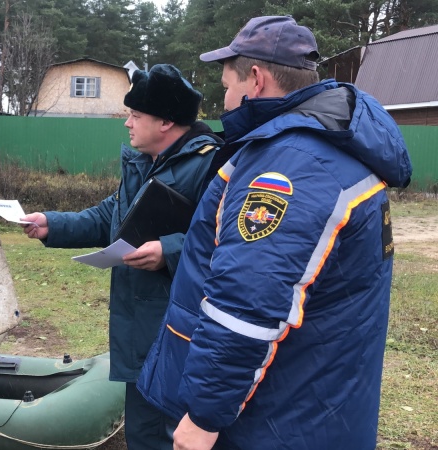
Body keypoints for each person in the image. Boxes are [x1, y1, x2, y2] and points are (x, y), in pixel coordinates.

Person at [138, 16, 413, 450]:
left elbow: (245, 307)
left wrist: (204, 416)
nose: (224, 100)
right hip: (311, 403)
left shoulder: (288, 163)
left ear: (256, 79)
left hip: (274, 421)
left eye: (227, 85)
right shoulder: (322, 147)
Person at [22, 64, 223, 450]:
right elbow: (110, 216)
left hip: (179, 330)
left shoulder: (212, 165)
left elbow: (224, 239)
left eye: (135, 115)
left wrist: (169, 251)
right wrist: (52, 224)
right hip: (138, 330)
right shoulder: (143, 163)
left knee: (169, 434)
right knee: (143, 434)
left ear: (165, 121)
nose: (127, 124)